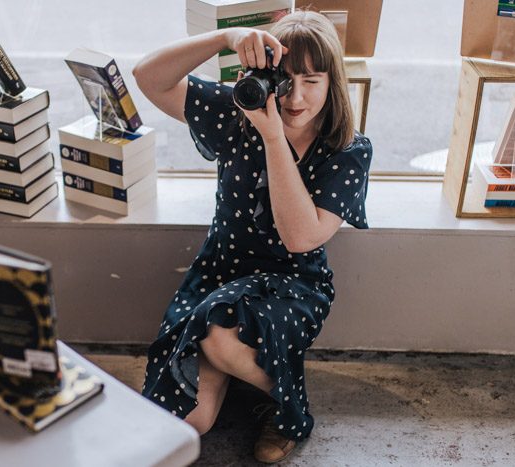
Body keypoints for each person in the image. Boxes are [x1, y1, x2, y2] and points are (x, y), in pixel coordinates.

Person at [132, 10, 372, 464]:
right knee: (188, 424)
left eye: (312, 81)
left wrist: (274, 138)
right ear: (262, 78)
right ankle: (242, 370)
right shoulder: (237, 112)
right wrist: (226, 36)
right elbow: (149, 77)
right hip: (218, 273)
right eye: (283, 82)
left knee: (221, 335)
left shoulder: (347, 150)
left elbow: (301, 238)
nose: (295, 98)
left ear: (331, 83)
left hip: (293, 284)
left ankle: (289, 405)